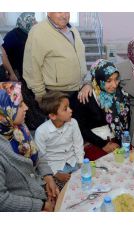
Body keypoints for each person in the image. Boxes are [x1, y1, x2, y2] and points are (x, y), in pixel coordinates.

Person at [0, 82, 59, 211]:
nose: (26, 107)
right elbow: (2, 200)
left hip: (41, 190)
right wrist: (40, 206)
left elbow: (38, 154)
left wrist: (48, 177)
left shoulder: (19, 128)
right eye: (20, 105)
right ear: (4, 111)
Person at [23, 12, 87, 107]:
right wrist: (40, 95)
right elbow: (31, 67)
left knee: (73, 121)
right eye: (59, 11)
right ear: (49, 12)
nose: (64, 15)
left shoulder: (72, 29)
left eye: (66, 11)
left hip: (76, 90)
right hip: (54, 95)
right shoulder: (38, 31)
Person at [73, 59, 130, 160]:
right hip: (93, 142)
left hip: (118, 141)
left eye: (116, 79)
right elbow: (81, 128)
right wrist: (103, 144)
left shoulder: (121, 95)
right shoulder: (85, 97)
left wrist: (122, 143)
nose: (114, 85)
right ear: (98, 79)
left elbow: (126, 121)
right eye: (108, 81)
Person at [2, 12, 46, 130]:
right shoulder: (12, 36)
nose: (35, 22)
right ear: (24, 21)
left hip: (31, 71)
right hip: (17, 73)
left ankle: (38, 121)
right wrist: (10, 72)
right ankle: (31, 123)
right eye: (32, 20)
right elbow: (4, 54)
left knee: (32, 97)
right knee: (24, 99)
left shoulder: (33, 34)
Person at [34, 91, 84, 190]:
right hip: (55, 168)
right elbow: (41, 158)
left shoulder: (73, 123)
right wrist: (55, 173)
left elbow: (78, 145)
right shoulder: (41, 132)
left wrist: (81, 164)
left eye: (69, 107)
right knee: (63, 192)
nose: (70, 110)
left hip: (74, 162)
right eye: (65, 109)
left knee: (85, 185)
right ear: (53, 116)